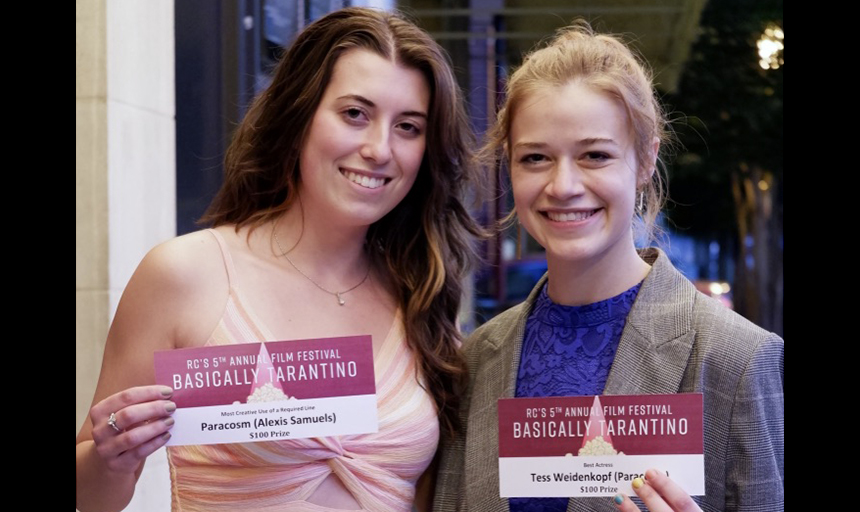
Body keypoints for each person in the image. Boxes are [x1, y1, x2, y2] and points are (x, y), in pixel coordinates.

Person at [76, 7, 482, 512]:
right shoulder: (185, 274)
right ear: (299, 116)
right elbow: (90, 497)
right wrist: (112, 457)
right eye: (355, 113)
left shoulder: (419, 293)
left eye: (408, 127)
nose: (380, 148)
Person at [433, 22, 784, 512]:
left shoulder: (738, 359)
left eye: (595, 155)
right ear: (509, 165)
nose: (563, 186)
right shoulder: (476, 361)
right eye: (535, 158)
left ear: (644, 160)